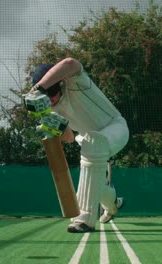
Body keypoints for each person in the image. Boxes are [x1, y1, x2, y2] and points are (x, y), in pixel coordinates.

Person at [29, 58, 129, 233]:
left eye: (52, 92)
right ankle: (113, 205)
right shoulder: (50, 108)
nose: (51, 99)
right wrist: (54, 124)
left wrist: (38, 89)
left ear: (60, 84)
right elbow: (68, 137)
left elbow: (70, 63)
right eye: (47, 97)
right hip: (91, 140)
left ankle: (84, 218)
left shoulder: (76, 82)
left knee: (93, 142)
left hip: (115, 128)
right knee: (95, 171)